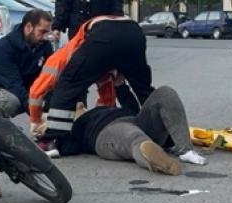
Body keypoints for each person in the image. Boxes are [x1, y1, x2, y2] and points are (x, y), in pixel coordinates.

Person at [0, 8, 54, 197]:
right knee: (11, 102)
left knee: (54, 95)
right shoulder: (4, 48)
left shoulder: (44, 47)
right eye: (42, 31)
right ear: (28, 27)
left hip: (24, 92)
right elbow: (14, 86)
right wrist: (37, 116)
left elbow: (47, 80)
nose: (46, 36)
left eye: (48, 32)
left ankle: (45, 143)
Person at [39, 15, 153, 146]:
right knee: (144, 89)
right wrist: (119, 85)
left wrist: (36, 121)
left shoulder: (73, 46)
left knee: (68, 83)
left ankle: (55, 138)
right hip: (134, 33)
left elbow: (43, 89)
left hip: (103, 34)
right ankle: (165, 134)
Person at [51, 86, 207, 174]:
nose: (80, 108)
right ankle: (157, 160)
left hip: (137, 121)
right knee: (133, 138)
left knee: (165, 93)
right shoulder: (77, 127)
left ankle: (185, 150)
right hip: (106, 134)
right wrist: (53, 147)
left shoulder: (106, 108)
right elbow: (68, 147)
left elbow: (131, 106)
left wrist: (120, 85)